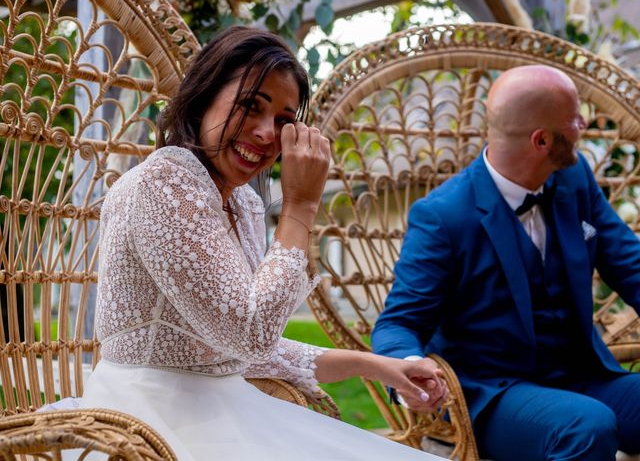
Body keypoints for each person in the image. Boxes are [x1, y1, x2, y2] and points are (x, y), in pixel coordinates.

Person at [71, 26, 449, 461]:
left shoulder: (244, 205)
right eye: (251, 106)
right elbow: (248, 336)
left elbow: (245, 351)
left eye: (285, 121)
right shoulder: (164, 183)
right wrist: (301, 206)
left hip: (221, 407)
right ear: (204, 96)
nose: (268, 133)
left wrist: (378, 365)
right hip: (148, 422)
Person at [372, 65, 640, 461]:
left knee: (591, 414)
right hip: (495, 394)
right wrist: (410, 368)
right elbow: (399, 322)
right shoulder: (443, 216)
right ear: (542, 140)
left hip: (582, 375)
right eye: (575, 120)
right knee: (586, 427)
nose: (584, 125)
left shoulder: (574, 177)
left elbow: (628, 262)